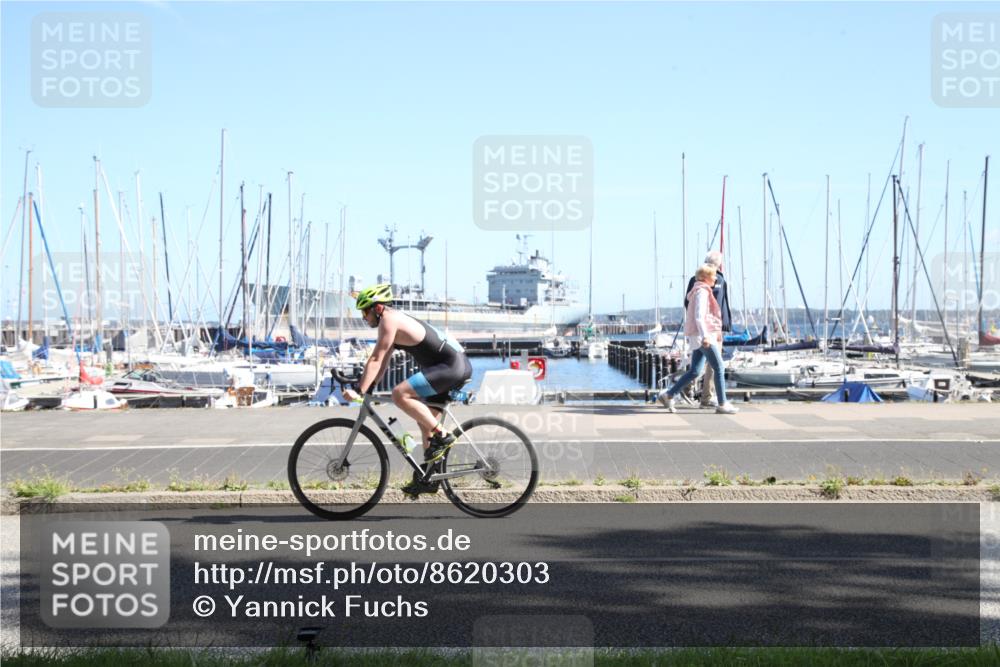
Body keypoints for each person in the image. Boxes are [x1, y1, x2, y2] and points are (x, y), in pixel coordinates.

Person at [342, 283, 473, 496]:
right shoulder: (393, 320)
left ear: (377, 308)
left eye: (365, 311)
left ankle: (444, 434)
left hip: (451, 366)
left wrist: (358, 389)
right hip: (452, 365)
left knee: (399, 394)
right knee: (425, 424)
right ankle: (429, 478)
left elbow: (375, 358)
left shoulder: (389, 320)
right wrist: (369, 387)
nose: (363, 317)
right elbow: (382, 361)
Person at [659, 264, 739, 415]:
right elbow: (699, 316)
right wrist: (705, 336)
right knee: (719, 367)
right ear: (705, 277)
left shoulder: (699, 291)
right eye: (713, 275)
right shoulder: (702, 292)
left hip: (699, 336)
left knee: (695, 371)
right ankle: (722, 404)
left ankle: (669, 395)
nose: (716, 278)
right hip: (703, 336)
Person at [683, 251, 732, 408]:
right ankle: (713, 399)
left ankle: (704, 396)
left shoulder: (719, 279)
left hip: (713, 328)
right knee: (713, 365)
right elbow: (691, 304)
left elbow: (723, 303)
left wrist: (724, 324)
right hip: (706, 330)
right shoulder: (700, 281)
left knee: (704, 366)